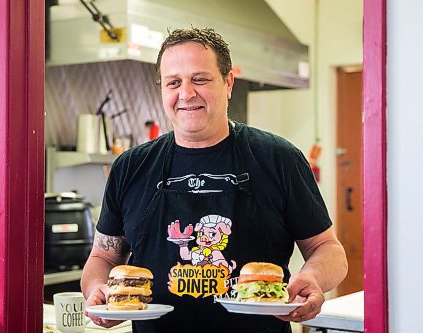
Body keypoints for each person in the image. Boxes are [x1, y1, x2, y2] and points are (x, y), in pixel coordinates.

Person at [81, 27, 348, 333]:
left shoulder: (279, 158)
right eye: (173, 83)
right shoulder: (130, 166)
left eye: (200, 79)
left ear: (228, 83)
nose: (186, 94)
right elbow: (103, 255)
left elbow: (328, 249)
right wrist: (97, 291)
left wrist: (312, 278)